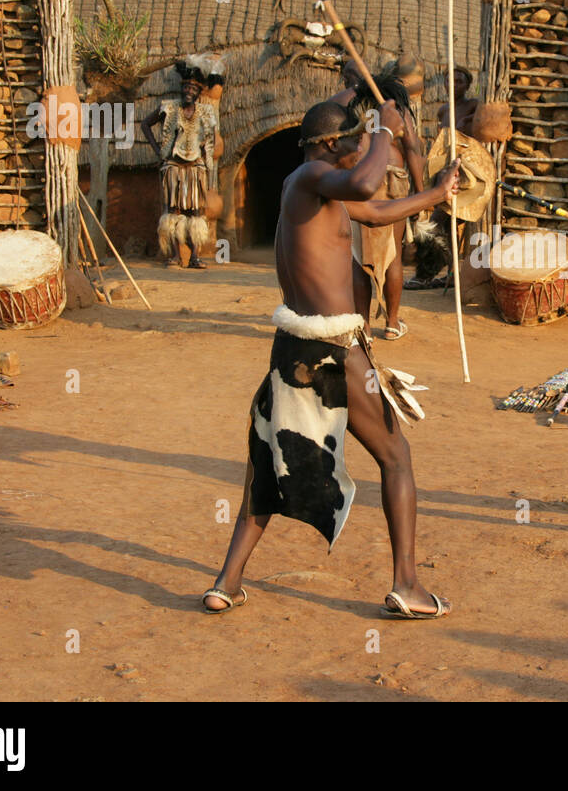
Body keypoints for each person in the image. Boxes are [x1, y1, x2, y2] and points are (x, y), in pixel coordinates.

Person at [201, 98, 460, 618]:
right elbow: (367, 185)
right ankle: (406, 584)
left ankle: (226, 583)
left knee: (263, 465)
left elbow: (379, 208)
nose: (365, 145)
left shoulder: (321, 192)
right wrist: (385, 126)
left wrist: (435, 192)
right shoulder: (309, 178)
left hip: (295, 348)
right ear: (327, 145)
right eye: (357, 137)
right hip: (332, 352)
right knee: (395, 455)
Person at [331, 62, 426, 340]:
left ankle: (365, 327)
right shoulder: (396, 110)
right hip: (392, 175)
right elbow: (412, 149)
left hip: (362, 177)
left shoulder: (347, 105)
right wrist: (421, 195)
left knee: (359, 258)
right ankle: (393, 323)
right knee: (392, 253)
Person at [141, 57, 222, 268]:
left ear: (198, 92)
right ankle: (176, 256)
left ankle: (195, 257)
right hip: (173, 167)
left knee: (195, 212)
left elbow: (211, 141)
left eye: (193, 88)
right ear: (181, 88)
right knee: (174, 211)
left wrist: (207, 164)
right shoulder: (169, 108)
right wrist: (158, 150)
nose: (188, 90)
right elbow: (145, 124)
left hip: (196, 168)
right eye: (186, 86)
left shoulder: (205, 112)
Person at [436, 66, 479, 139]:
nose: (454, 85)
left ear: (467, 86)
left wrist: (465, 120)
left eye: (459, 82)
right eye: (449, 81)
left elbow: (484, 115)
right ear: (444, 84)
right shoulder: (442, 111)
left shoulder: (473, 105)